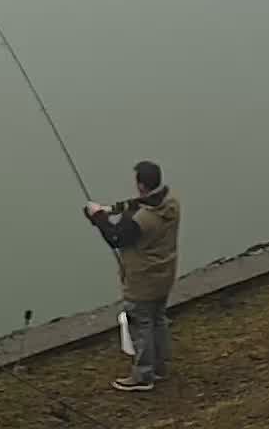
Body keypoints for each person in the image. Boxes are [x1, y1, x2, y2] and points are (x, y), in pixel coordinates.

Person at [84, 160, 180, 391]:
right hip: (164, 276)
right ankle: (160, 367)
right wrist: (110, 209)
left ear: (141, 185)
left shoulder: (139, 220)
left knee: (141, 326)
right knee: (157, 321)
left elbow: (116, 238)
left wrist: (98, 218)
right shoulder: (171, 203)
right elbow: (138, 204)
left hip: (141, 282)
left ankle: (143, 376)